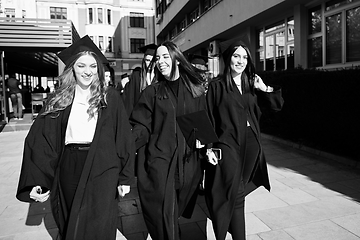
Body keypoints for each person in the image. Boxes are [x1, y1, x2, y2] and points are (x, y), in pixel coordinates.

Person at [16, 35, 135, 240]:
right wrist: (37, 181)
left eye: (92, 66)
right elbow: (41, 140)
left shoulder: (110, 97)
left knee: (101, 221)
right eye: (81, 65)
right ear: (72, 68)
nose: (87, 71)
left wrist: (124, 177)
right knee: (72, 219)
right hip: (70, 166)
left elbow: (123, 137)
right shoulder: (60, 99)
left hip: (104, 167)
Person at [204, 40, 284, 240]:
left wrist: (263, 88)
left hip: (251, 144)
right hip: (227, 144)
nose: (240, 61)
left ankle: (226, 212)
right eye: (236, 56)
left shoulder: (251, 84)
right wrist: (208, 148)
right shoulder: (217, 86)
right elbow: (208, 117)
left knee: (236, 191)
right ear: (228, 58)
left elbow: (276, 108)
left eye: (245, 57)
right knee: (236, 193)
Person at [129, 41, 208, 240]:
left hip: (188, 162)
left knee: (174, 211)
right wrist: (126, 142)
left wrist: (205, 142)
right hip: (161, 162)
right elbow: (142, 125)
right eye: (158, 58)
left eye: (165, 57)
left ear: (177, 59)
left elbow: (202, 119)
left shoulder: (194, 90)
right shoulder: (152, 92)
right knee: (165, 213)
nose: (160, 62)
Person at [122, 43, 157, 116]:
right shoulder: (137, 76)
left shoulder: (160, 77)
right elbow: (130, 99)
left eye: (153, 60)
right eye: (147, 60)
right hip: (139, 117)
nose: (150, 63)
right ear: (144, 60)